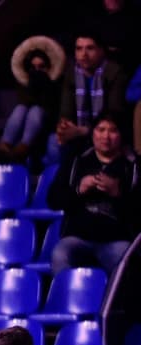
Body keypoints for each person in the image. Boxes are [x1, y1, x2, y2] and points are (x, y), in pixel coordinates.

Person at [47, 111, 140, 276]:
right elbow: (53, 200)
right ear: (93, 133)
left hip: (116, 240)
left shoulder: (133, 166)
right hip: (78, 238)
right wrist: (78, 189)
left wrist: (117, 193)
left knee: (127, 263)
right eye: (101, 129)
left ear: (120, 135)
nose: (106, 136)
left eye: (112, 130)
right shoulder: (77, 161)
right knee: (60, 255)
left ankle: (116, 303)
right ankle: (68, 300)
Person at [51, 30, 126, 164]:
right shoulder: (71, 73)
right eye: (79, 49)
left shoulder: (114, 72)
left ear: (101, 51)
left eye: (90, 48)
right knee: (53, 143)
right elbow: (65, 111)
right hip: (77, 131)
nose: (83, 54)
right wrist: (64, 127)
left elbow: (114, 114)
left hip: (106, 132)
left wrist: (83, 131)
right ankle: (66, 182)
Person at [0, 37, 63, 165]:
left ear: (49, 67)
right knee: (20, 109)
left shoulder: (57, 85)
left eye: (41, 67)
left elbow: (50, 107)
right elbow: (25, 102)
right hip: (26, 124)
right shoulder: (25, 83)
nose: (37, 71)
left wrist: (45, 84)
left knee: (36, 110)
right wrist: (32, 86)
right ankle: (3, 147)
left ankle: (22, 150)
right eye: (33, 67)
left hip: (48, 125)